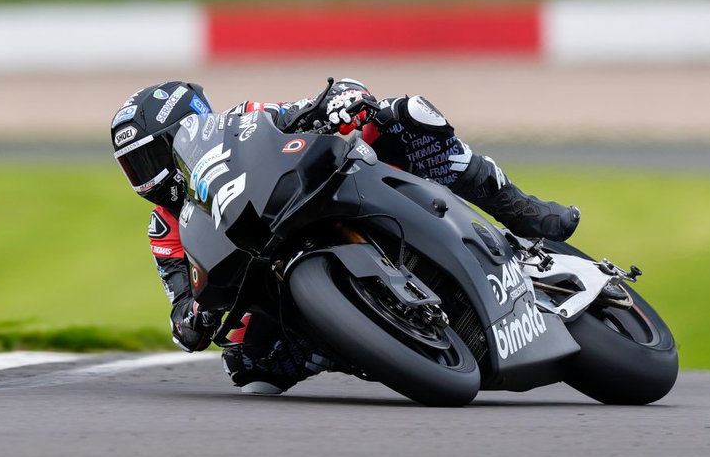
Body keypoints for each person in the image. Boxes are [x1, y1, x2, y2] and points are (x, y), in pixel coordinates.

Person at [110, 78, 580, 396]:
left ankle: (517, 206)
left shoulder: (245, 120)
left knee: (406, 116)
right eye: (135, 168)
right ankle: (367, 343)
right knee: (248, 369)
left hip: (326, 188)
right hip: (271, 271)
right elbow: (180, 312)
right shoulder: (165, 228)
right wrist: (195, 314)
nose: (147, 179)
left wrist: (341, 103)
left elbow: (311, 107)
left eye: (151, 159)